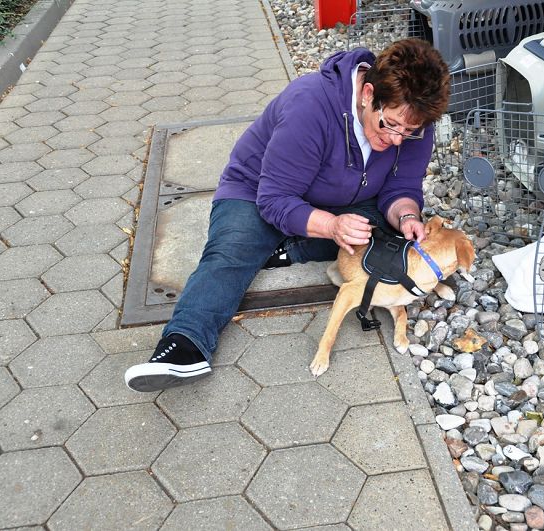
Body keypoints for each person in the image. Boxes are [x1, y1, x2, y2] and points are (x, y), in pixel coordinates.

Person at [125, 38, 450, 392]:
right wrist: (330, 225)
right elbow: (274, 198)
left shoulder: (413, 119)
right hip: (258, 193)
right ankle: (184, 345)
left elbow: (401, 185)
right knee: (232, 253)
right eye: (389, 125)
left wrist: (406, 217)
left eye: (410, 131)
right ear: (368, 93)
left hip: (345, 199)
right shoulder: (311, 103)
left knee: (388, 235)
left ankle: (289, 249)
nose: (399, 140)